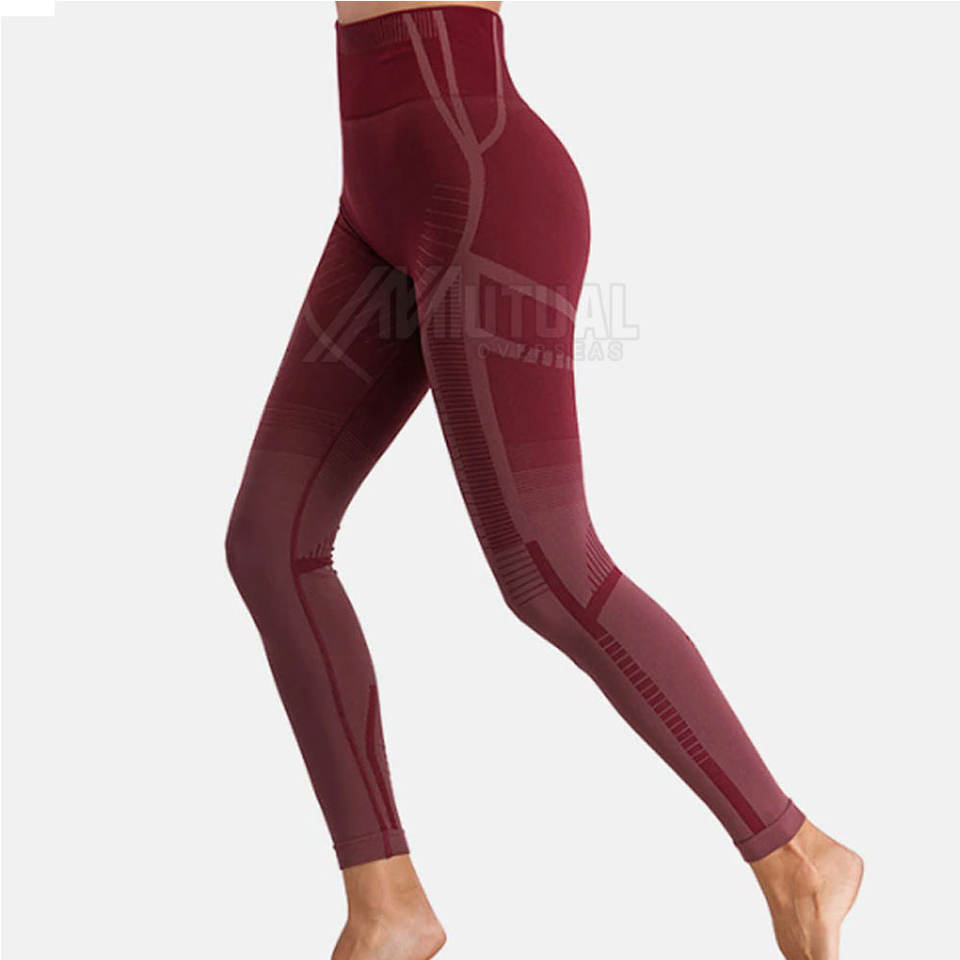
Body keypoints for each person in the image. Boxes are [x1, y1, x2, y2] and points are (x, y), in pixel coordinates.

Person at [226, 3, 863, 958]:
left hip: (478, 176)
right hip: (378, 194)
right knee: (270, 540)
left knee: (546, 563)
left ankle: (799, 853)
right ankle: (387, 904)